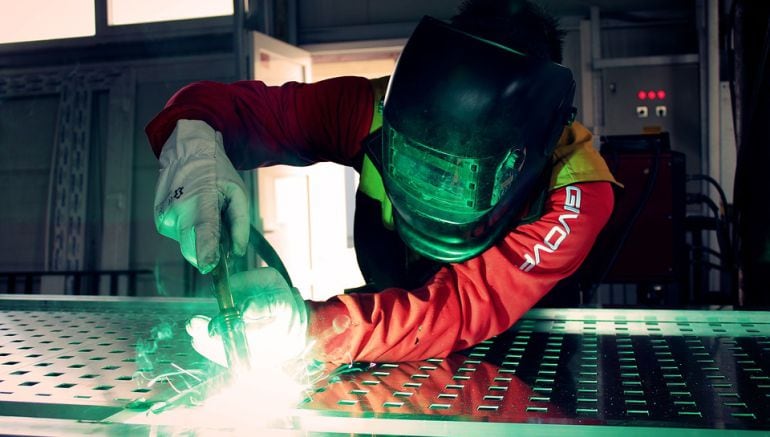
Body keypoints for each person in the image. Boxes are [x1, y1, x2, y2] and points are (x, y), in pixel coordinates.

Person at [147, 0, 618, 366]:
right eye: (425, 160)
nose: (441, 187)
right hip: (386, 335)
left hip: (523, 356)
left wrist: (314, 329)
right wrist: (194, 148)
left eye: (465, 172)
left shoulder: (576, 189)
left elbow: (462, 304)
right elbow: (232, 107)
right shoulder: (372, 110)